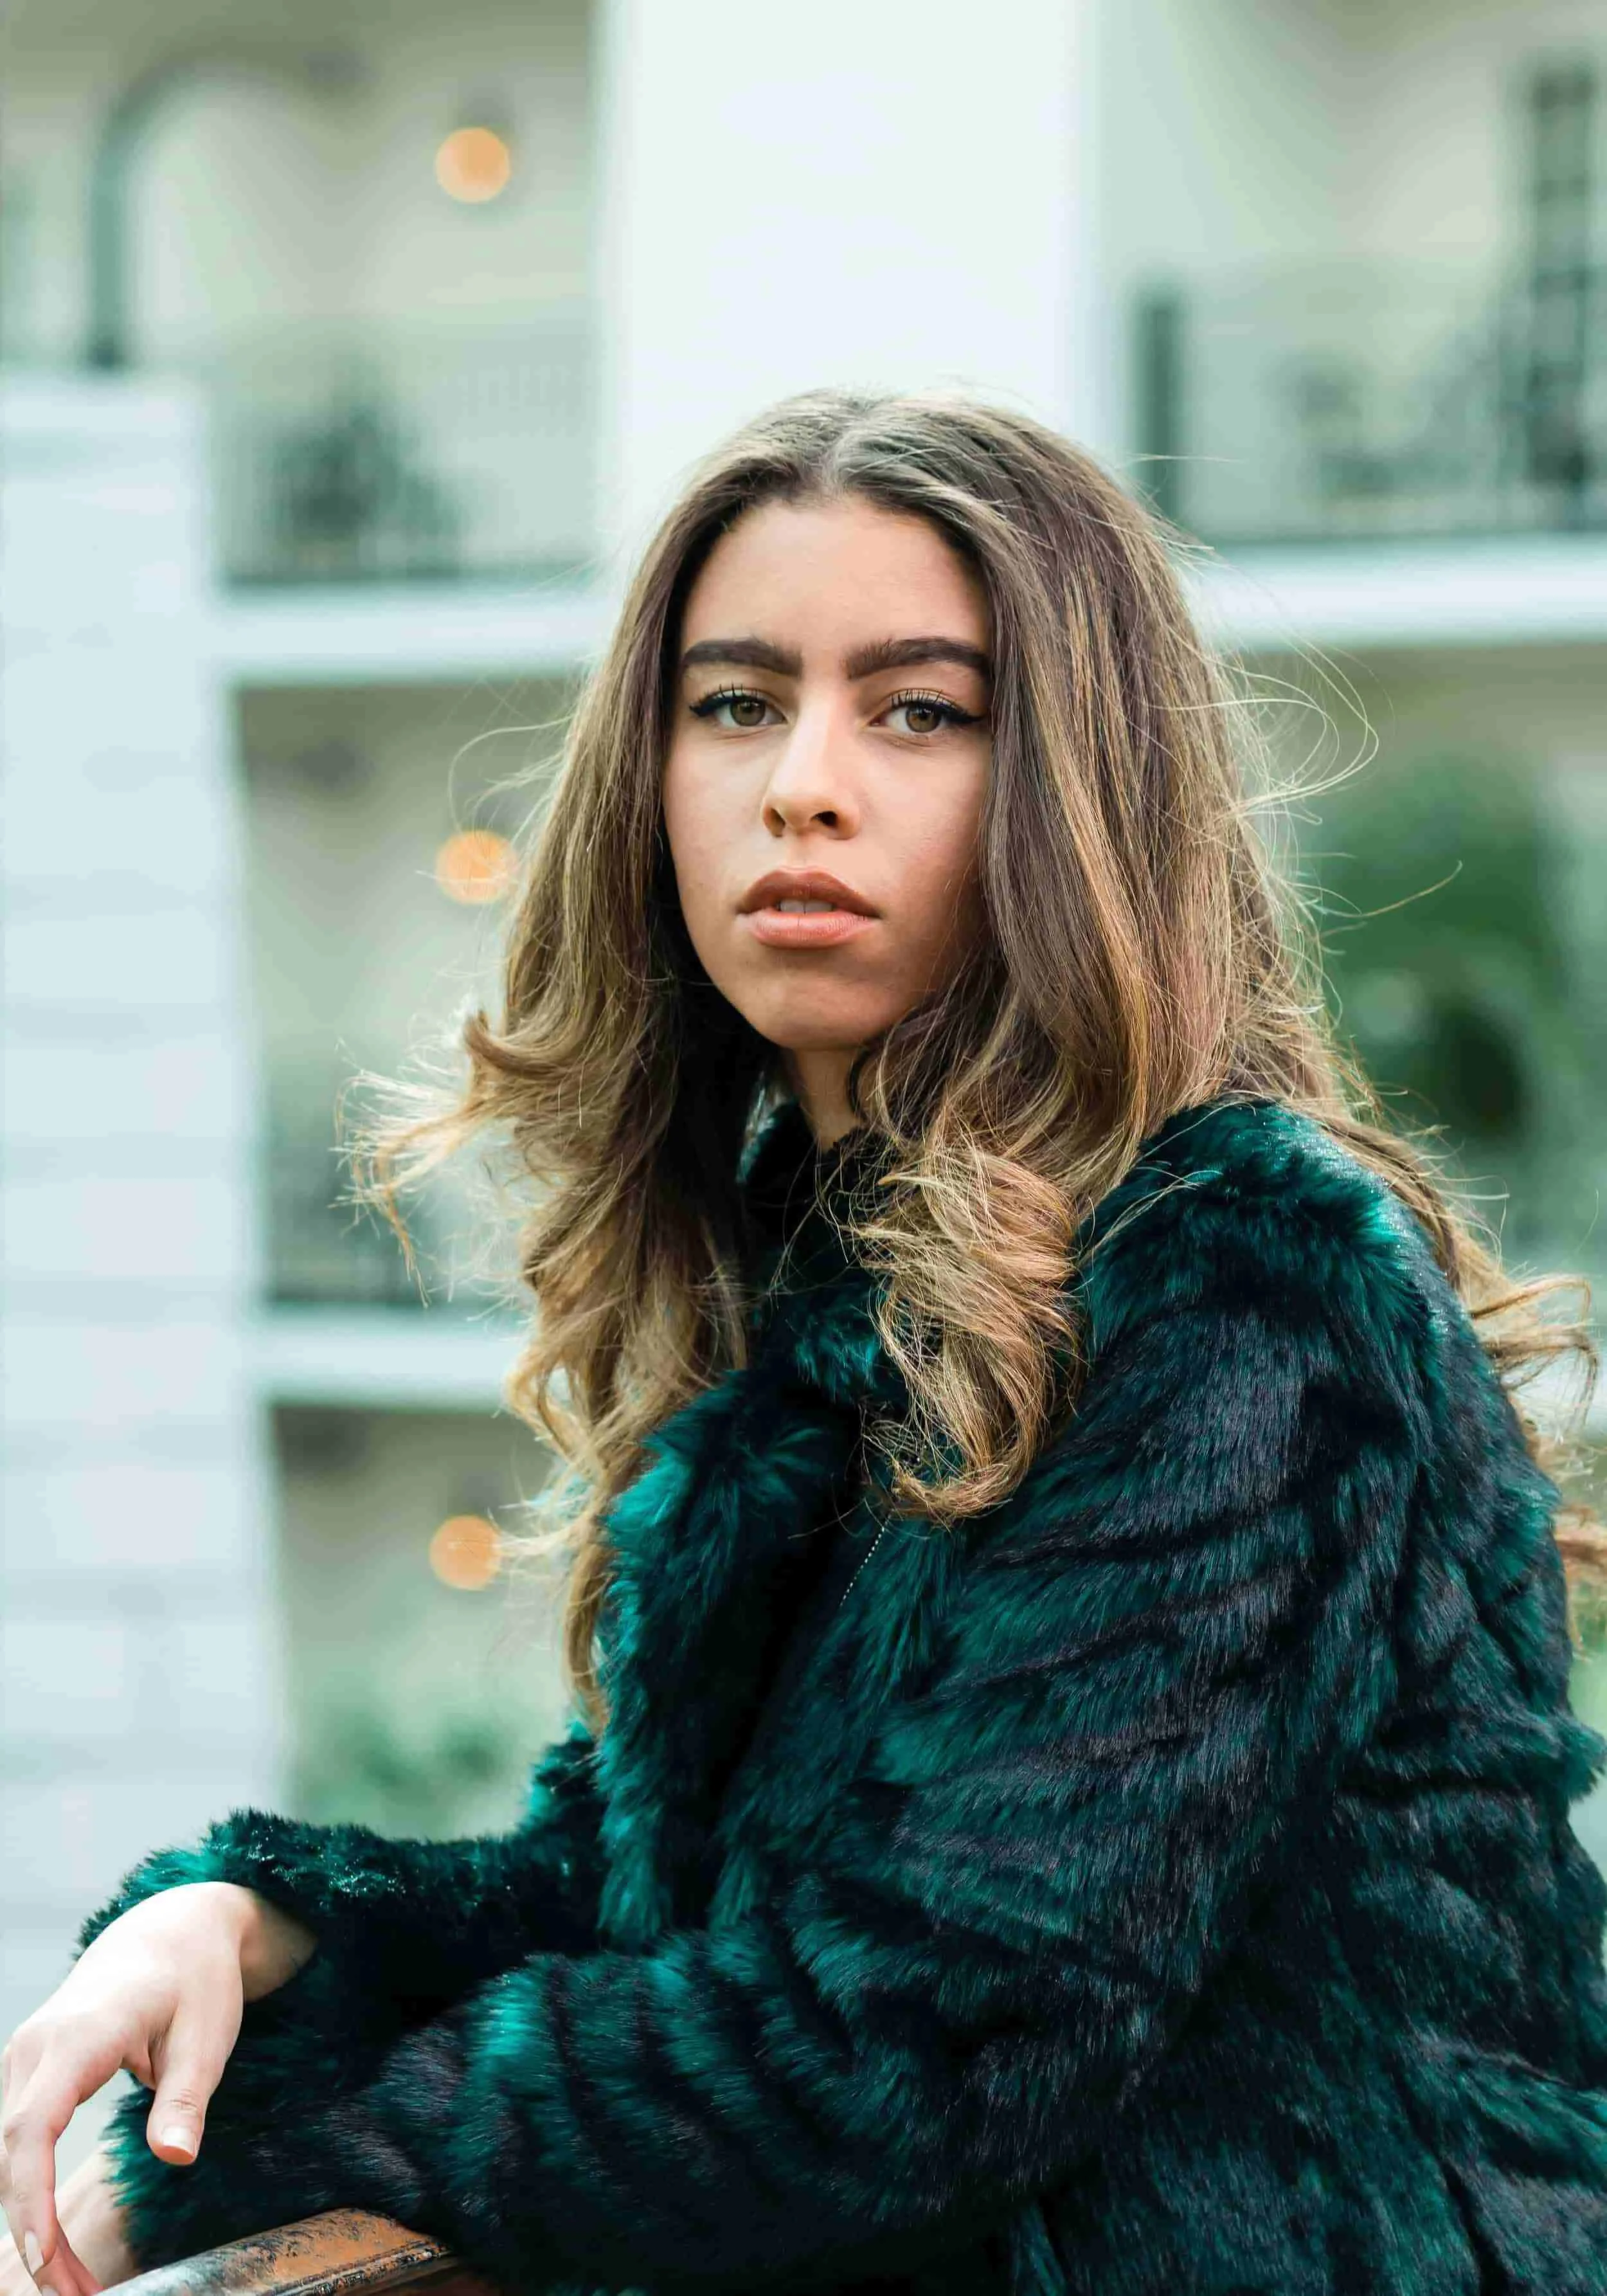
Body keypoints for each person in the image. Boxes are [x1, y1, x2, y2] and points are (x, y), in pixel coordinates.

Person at [4, 388, 1607, 2296]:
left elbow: (915, 2047)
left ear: (1078, 784)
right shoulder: (814, 1280)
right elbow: (639, 1902)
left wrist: (237, 2160)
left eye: (919, 710)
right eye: (737, 703)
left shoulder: (1235, 1273)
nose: (803, 785)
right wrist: (258, 1920)